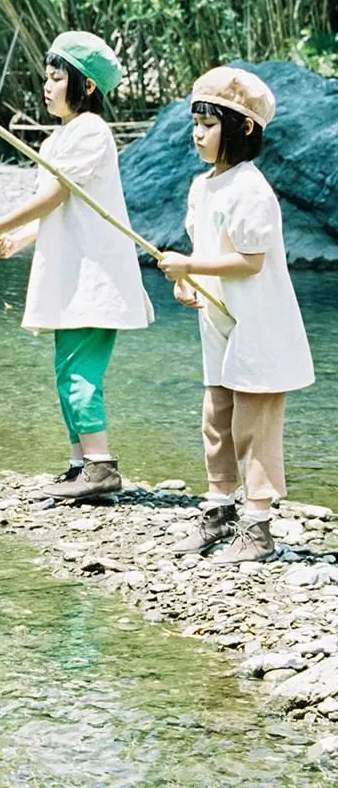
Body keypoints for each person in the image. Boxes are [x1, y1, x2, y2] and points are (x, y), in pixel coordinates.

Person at [0, 31, 153, 500]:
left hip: (94, 277)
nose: (46, 87)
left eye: (56, 78)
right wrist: (16, 238)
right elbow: (57, 212)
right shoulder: (60, 139)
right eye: (45, 78)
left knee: (79, 375)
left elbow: (53, 195)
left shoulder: (91, 131)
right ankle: (79, 464)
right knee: (65, 370)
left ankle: (101, 465)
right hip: (72, 275)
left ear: (87, 86)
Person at [158, 66, 314, 564]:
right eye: (195, 123)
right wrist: (188, 282)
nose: (197, 134)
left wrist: (188, 265)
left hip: (260, 325)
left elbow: (250, 261)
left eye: (209, 123)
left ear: (244, 127)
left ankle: (259, 526)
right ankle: (220, 507)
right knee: (216, 419)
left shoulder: (251, 188)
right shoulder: (203, 186)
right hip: (220, 321)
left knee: (255, 425)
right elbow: (204, 249)